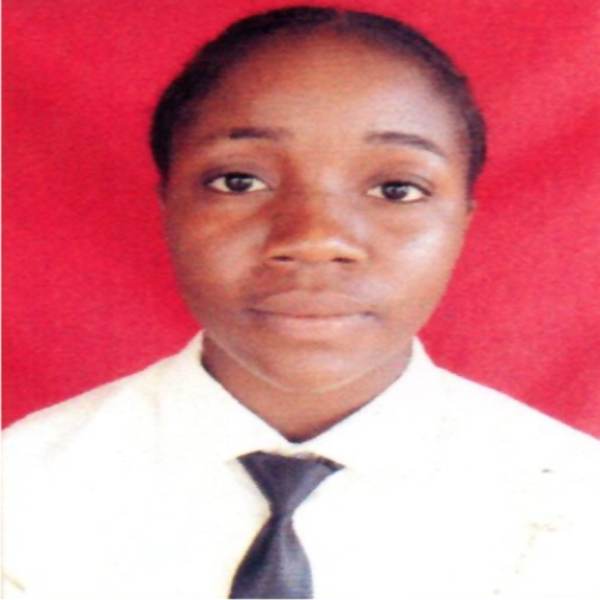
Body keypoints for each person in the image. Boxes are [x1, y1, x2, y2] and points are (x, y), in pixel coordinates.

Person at [3, 6, 599, 599]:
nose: (316, 238)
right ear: (169, 207)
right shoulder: (22, 492)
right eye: (239, 181)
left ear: (462, 221)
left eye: (397, 189)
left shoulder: (575, 505)